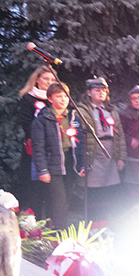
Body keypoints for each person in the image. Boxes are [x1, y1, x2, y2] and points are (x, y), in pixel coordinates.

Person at [30, 83, 84, 229]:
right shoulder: (42, 120)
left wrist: (81, 164)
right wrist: (42, 170)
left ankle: (55, 228)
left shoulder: (73, 117)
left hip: (69, 163)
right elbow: (38, 148)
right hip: (52, 164)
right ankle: (61, 232)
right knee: (58, 200)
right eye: (58, 96)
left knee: (66, 199)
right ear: (49, 98)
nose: (63, 99)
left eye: (65, 96)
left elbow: (80, 144)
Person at [77, 77, 126, 221]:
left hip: (111, 151)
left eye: (103, 91)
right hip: (94, 151)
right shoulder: (83, 110)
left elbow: (120, 134)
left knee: (109, 188)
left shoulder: (112, 110)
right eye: (97, 90)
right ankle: (94, 224)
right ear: (89, 93)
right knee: (94, 189)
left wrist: (121, 157)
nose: (101, 93)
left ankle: (106, 223)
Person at [18, 66, 57, 214]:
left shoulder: (54, 99)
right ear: (37, 80)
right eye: (46, 78)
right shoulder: (28, 98)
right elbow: (26, 123)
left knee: (50, 188)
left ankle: (49, 222)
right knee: (33, 185)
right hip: (33, 147)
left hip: (53, 148)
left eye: (52, 79)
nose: (49, 82)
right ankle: (32, 221)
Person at [120, 85, 139, 198]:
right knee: (134, 183)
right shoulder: (125, 115)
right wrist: (130, 140)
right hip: (134, 154)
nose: (137, 100)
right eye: (134, 98)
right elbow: (120, 132)